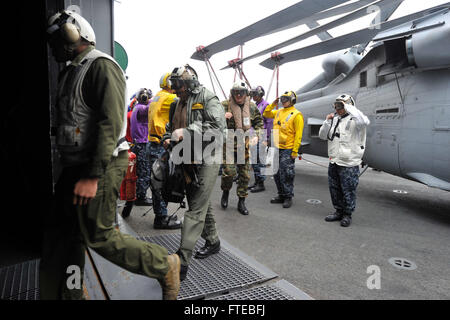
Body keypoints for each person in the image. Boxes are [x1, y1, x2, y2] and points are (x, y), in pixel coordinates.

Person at [43, 10, 180, 300]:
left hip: (99, 165)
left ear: (72, 35)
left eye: (56, 40)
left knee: (99, 234)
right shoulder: (72, 70)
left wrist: (92, 176)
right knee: (66, 233)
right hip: (75, 165)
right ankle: (70, 292)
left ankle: (164, 265)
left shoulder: (101, 67)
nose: (52, 48)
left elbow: (110, 125)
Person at [162, 64, 226, 281]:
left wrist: (187, 131)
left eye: (178, 84)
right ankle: (213, 240)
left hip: (207, 157)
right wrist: (167, 139)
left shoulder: (208, 98)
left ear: (189, 82)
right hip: (187, 158)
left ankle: (182, 260)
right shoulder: (178, 102)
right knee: (199, 202)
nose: (175, 89)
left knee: (195, 209)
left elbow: (218, 129)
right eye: (173, 85)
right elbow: (172, 129)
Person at [318, 94, 370, 227]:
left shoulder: (356, 120)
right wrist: (327, 122)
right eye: (336, 105)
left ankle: (347, 214)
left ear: (349, 105)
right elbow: (322, 136)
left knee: (348, 190)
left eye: (341, 105)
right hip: (334, 160)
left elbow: (364, 121)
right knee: (334, 188)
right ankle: (338, 211)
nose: (338, 108)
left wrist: (348, 106)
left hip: (349, 163)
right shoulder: (335, 119)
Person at [220, 81, 264, 215]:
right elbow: (212, 120)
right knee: (229, 172)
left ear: (246, 94)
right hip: (228, 144)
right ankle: (225, 192)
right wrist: (222, 117)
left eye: (241, 92)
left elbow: (259, 123)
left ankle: (241, 201)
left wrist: (257, 135)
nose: (238, 95)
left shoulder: (251, 107)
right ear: (232, 93)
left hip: (243, 145)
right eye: (235, 92)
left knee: (245, 175)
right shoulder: (224, 105)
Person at [147, 73, 182, 229]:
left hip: (152, 142)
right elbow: (183, 106)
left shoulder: (156, 97)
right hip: (162, 143)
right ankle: (161, 217)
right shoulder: (169, 98)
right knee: (162, 182)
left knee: (156, 181)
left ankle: (160, 215)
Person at [263, 91, 304, 208]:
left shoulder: (297, 115)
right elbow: (266, 113)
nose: (283, 101)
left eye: (286, 99)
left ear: (292, 100)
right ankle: (281, 194)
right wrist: (273, 103)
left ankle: (288, 196)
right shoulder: (278, 112)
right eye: (282, 99)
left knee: (286, 173)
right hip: (276, 147)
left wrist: (295, 151)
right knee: (276, 172)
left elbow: (298, 134)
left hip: (287, 148)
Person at [130, 88, 153, 206]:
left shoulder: (136, 107)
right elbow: (152, 107)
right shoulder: (142, 108)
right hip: (142, 144)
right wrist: (152, 99)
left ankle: (139, 194)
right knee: (144, 171)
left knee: (140, 171)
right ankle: (141, 197)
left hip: (137, 143)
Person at [249, 85, 272, 193]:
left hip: (261, 136)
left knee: (260, 160)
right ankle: (257, 181)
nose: (253, 96)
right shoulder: (255, 105)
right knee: (254, 160)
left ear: (260, 95)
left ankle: (261, 183)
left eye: (254, 94)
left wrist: (266, 138)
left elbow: (269, 123)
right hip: (253, 136)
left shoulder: (265, 105)